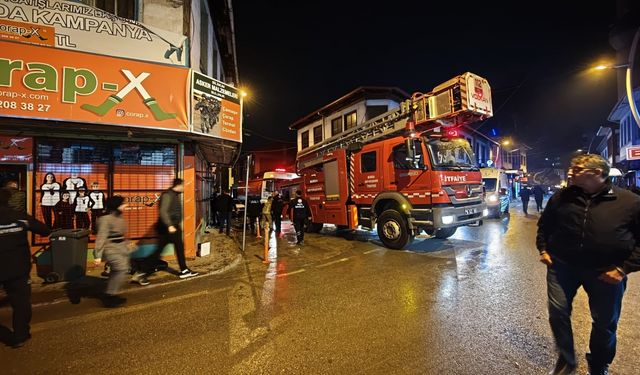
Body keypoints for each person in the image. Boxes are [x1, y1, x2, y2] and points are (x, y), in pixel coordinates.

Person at [536, 154, 640, 375]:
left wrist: (623, 269)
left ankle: (599, 362)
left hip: (607, 272)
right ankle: (566, 358)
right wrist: (543, 249)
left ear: (598, 173)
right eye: (572, 167)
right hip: (562, 267)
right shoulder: (562, 197)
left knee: (605, 323)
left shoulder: (629, 202)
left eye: (578, 168)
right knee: (557, 313)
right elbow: (545, 225)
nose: (571, 171)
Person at [0, 189, 50, 348]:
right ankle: (20, 335)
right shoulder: (19, 216)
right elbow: (44, 230)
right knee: (21, 303)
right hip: (18, 269)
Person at [141, 179, 198, 280]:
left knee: (167, 249)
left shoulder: (173, 195)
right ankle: (143, 270)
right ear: (178, 185)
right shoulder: (167, 195)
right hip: (169, 228)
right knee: (173, 249)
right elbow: (163, 211)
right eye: (183, 186)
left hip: (171, 227)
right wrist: (169, 225)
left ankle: (143, 271)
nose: (184, 188)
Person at [93, 196, 143, 308]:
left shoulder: (120, 218)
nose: (125, 205)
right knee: (121, 269)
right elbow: (101, 237)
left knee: (116, 272)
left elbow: (123, 235)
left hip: (121, 248)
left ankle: (111, 294)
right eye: (122, 204)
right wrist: (98, 255)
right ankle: (110, 296)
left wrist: (129, 245)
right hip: (111, 248)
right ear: (116, 206)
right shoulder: (105, 219)